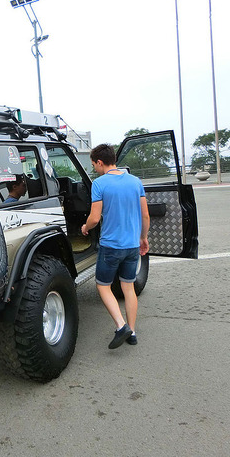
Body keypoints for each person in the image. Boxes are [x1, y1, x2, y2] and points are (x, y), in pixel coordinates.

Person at [81, 144, 149, 349]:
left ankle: (121, 326)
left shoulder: (99, 184)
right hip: (131, 246)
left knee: (103, 286)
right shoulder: (135, 181)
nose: (95, 169)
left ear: (100, 162)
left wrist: (85, 227)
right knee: (128, 287)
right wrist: (143, 238)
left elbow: (94, 218)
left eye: (94, 165)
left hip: (110, 246)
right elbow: (145, 215)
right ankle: (132, 331)